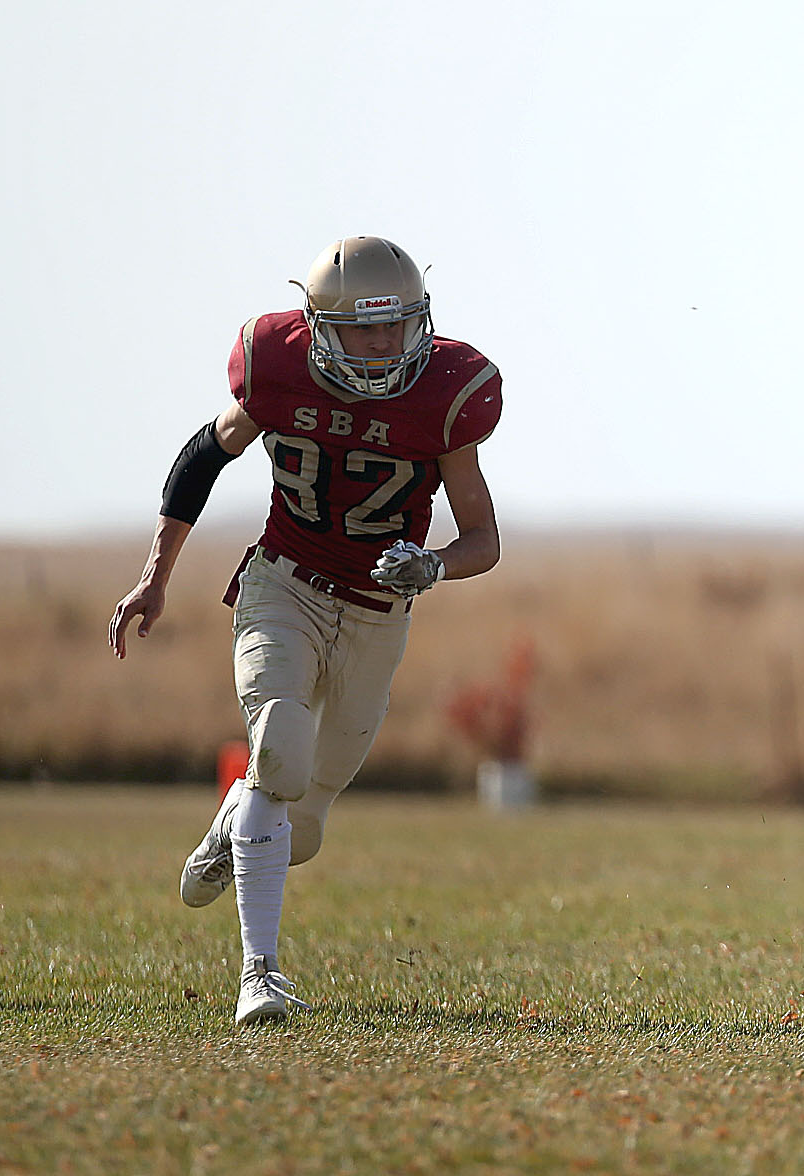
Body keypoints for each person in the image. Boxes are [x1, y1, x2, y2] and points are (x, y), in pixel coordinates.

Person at [107, 236, 504, 1027]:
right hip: (285, 583)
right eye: (366, 328)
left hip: (378, 612)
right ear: (320, 327)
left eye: (399, 325)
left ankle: (234, 820)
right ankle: (261, 972)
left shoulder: (450, 390)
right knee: (281, 741)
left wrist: (432, 566)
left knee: (306, 826)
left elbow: (483, 540)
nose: (386, 344)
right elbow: (201, 456)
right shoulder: (276, 365)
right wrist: (156, 574)